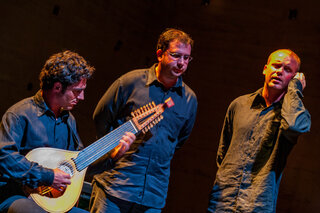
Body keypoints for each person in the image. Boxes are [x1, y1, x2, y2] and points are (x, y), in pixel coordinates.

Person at [0, 50, 135, 213]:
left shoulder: (69, 120)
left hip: (49, 200)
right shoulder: (20, 114)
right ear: (57, 87)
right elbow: (4, 156)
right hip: (15, 195)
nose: (82, 97)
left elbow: (79, 165)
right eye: (78, 90)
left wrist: (113, 157)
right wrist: (48, 176)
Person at [90, 28, 198, 212]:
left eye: (186, 58)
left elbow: (178, 142)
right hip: (114, 186)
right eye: (175, 55)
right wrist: (113, 148)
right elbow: (101, 118)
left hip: (153, 196)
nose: (181, 63)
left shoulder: (189, 99)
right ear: (159, 54)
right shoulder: (131, 82)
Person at [207, 49, 311, 213]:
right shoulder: (239, 105)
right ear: (265, 68)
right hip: (222, 202)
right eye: (276, 66)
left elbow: (294, 126)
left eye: (287, 70)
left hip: (257, 205)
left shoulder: (295, 114)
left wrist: (295, 89)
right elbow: (223, 153)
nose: (279, 72)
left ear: (294, 77)